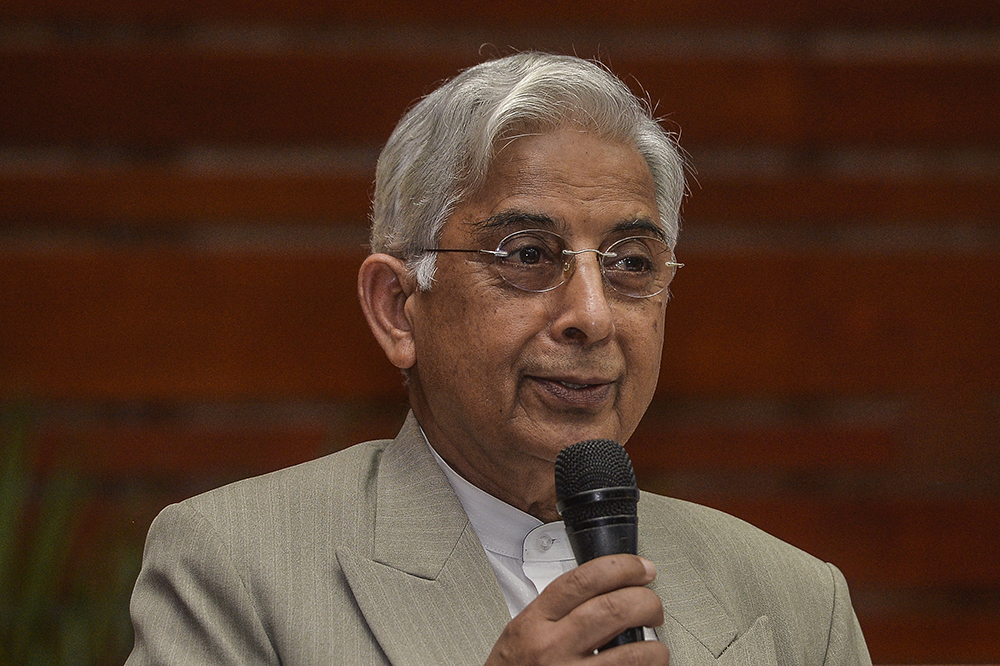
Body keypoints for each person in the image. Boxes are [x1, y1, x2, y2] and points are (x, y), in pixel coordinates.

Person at [125, 52, 872, 665]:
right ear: (397, 307)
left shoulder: (797, 602)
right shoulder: (235, 564)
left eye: (632, 264)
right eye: (527, 254)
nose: (591, 314)